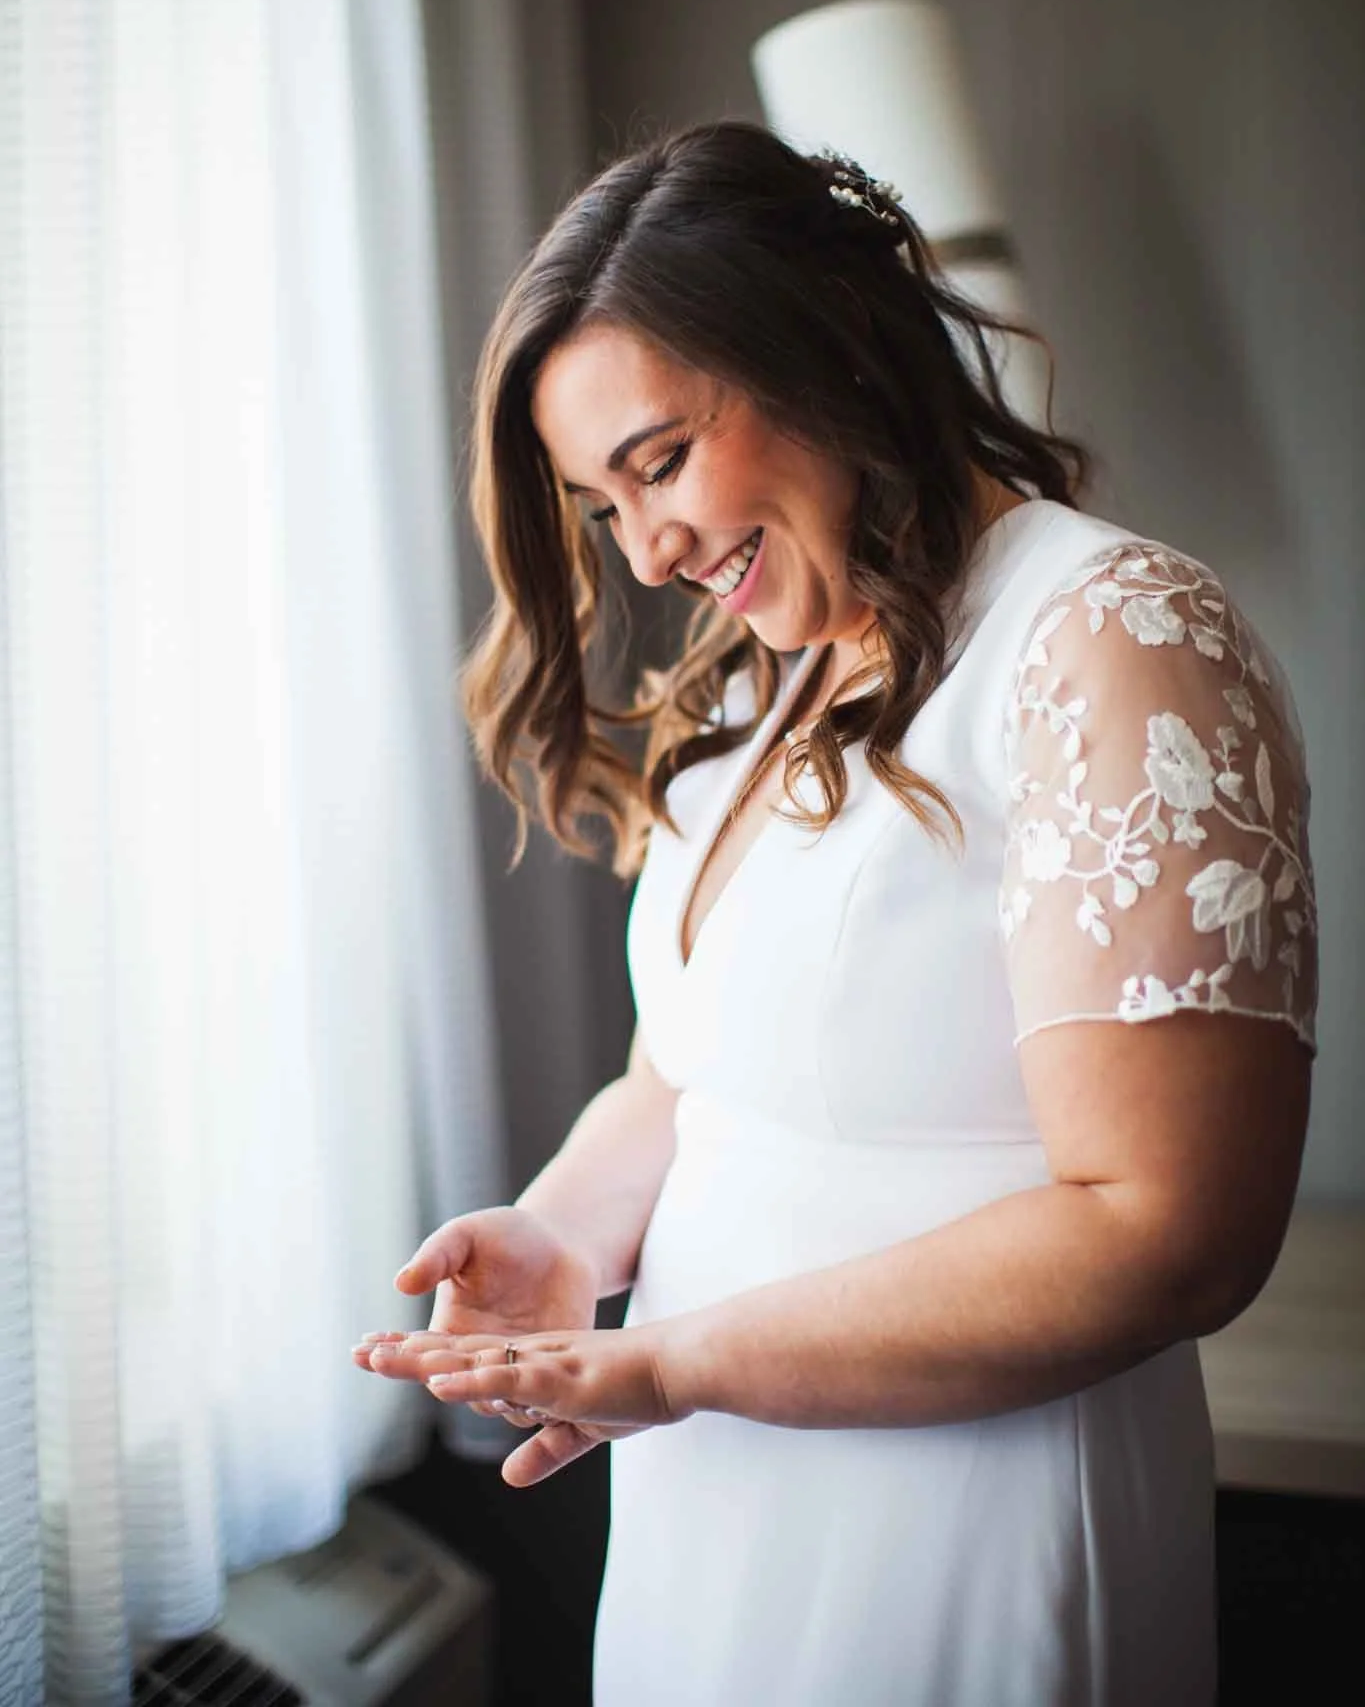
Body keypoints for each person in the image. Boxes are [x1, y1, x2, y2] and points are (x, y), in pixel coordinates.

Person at [352, 121, 1317, 1705]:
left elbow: (1169, 1230)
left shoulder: (1112, 637)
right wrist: (564, 1233)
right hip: (715, 1507)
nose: (650, 550)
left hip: (966, 1524)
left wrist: (681, 1361)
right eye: (602, 507)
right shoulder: (778, 673)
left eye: (662, 461)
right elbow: (689, 1073)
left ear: (832, 348)